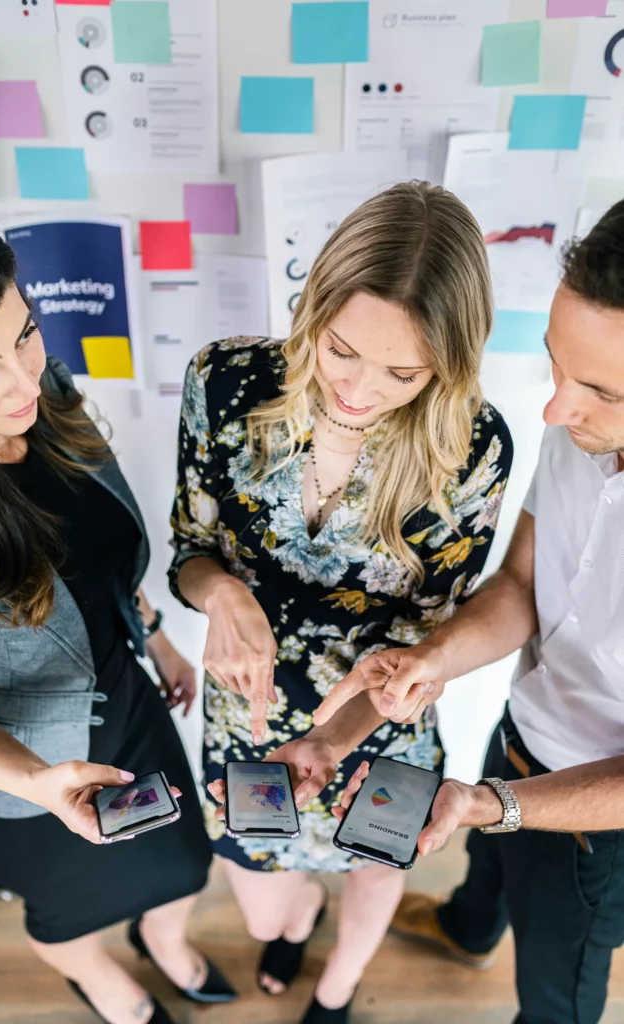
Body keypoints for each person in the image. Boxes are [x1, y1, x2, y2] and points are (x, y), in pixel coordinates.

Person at [168, 181, 513, 1023]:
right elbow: (189, 550)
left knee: (374, 865)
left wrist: (335, 733)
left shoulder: (471, 449)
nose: (360, 390)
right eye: (340, 351)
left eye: (403, 371)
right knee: (263, 898)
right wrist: (218, 595)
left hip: (380, 710)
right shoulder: (224, 383)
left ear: (448, 361)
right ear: (314, 305)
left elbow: (432, 632)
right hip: (246, 705)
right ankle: (293, 926)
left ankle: (338, 987)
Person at [314, 199, 624, 1024]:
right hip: (523, 729)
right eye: (557, 366)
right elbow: (523, 584)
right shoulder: (580, 428)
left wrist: (491, 804)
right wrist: (433, 659)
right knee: (484, 873)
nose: (555, 412)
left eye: (600, 390)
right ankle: (466, 926)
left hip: (598, 818)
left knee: (555, 995)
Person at [0, 207, 236, 1024]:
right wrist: (41, 784)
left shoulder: (42, 393)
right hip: (21, 771)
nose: (23, 380)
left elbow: (96, 562)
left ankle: (167, 942)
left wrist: (159, 639)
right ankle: (107, 983)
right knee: (65, 910)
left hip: (125, 701)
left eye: (24, 335)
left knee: (180, 862)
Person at [334, 755, 624, 854]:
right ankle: (466, 931)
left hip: (597, 811)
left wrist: (478, 804)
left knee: (552, 968)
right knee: (486, 863)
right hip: (515, 736)